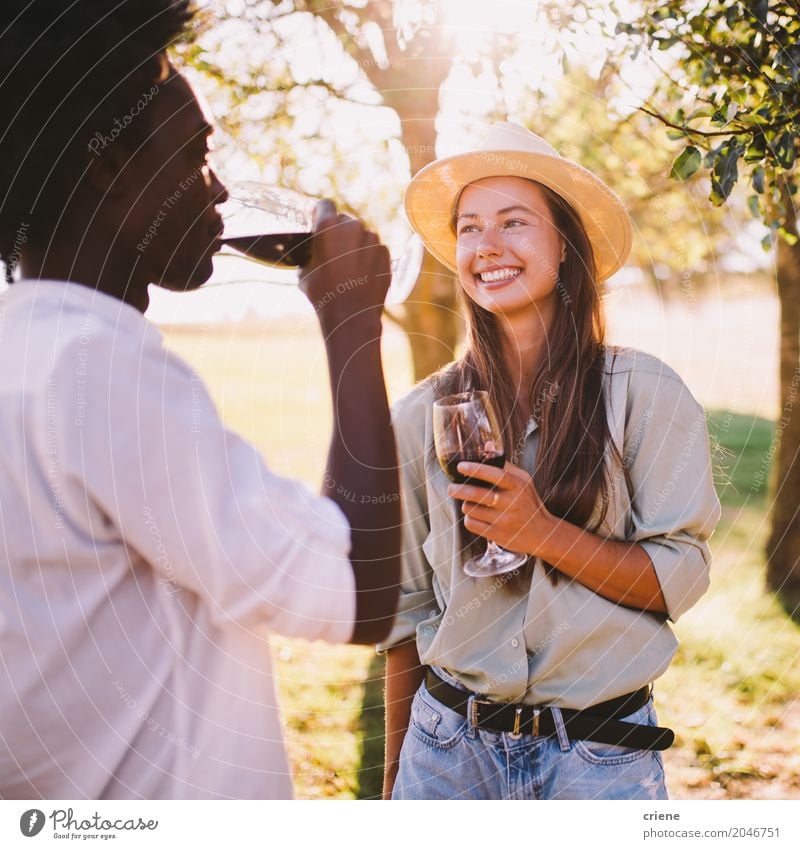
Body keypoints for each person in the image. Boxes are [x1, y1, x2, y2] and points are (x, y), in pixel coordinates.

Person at [0, 1, 400, 799]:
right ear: (108, 167)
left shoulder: (26, 350)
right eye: (197, 153)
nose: (217, 190)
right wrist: (350, 321)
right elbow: (365, 587)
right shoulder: (97, 365)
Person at [381, 121, 721, 800]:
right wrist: (395, 782)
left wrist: (543, 534)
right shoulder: (422, 416)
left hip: (599, 760)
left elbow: (678, 579)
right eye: (470, 228)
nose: (488, 246)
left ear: (565, 244)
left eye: (514, 221)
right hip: (446, 753)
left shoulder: (644, 395)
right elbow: (406, 615)